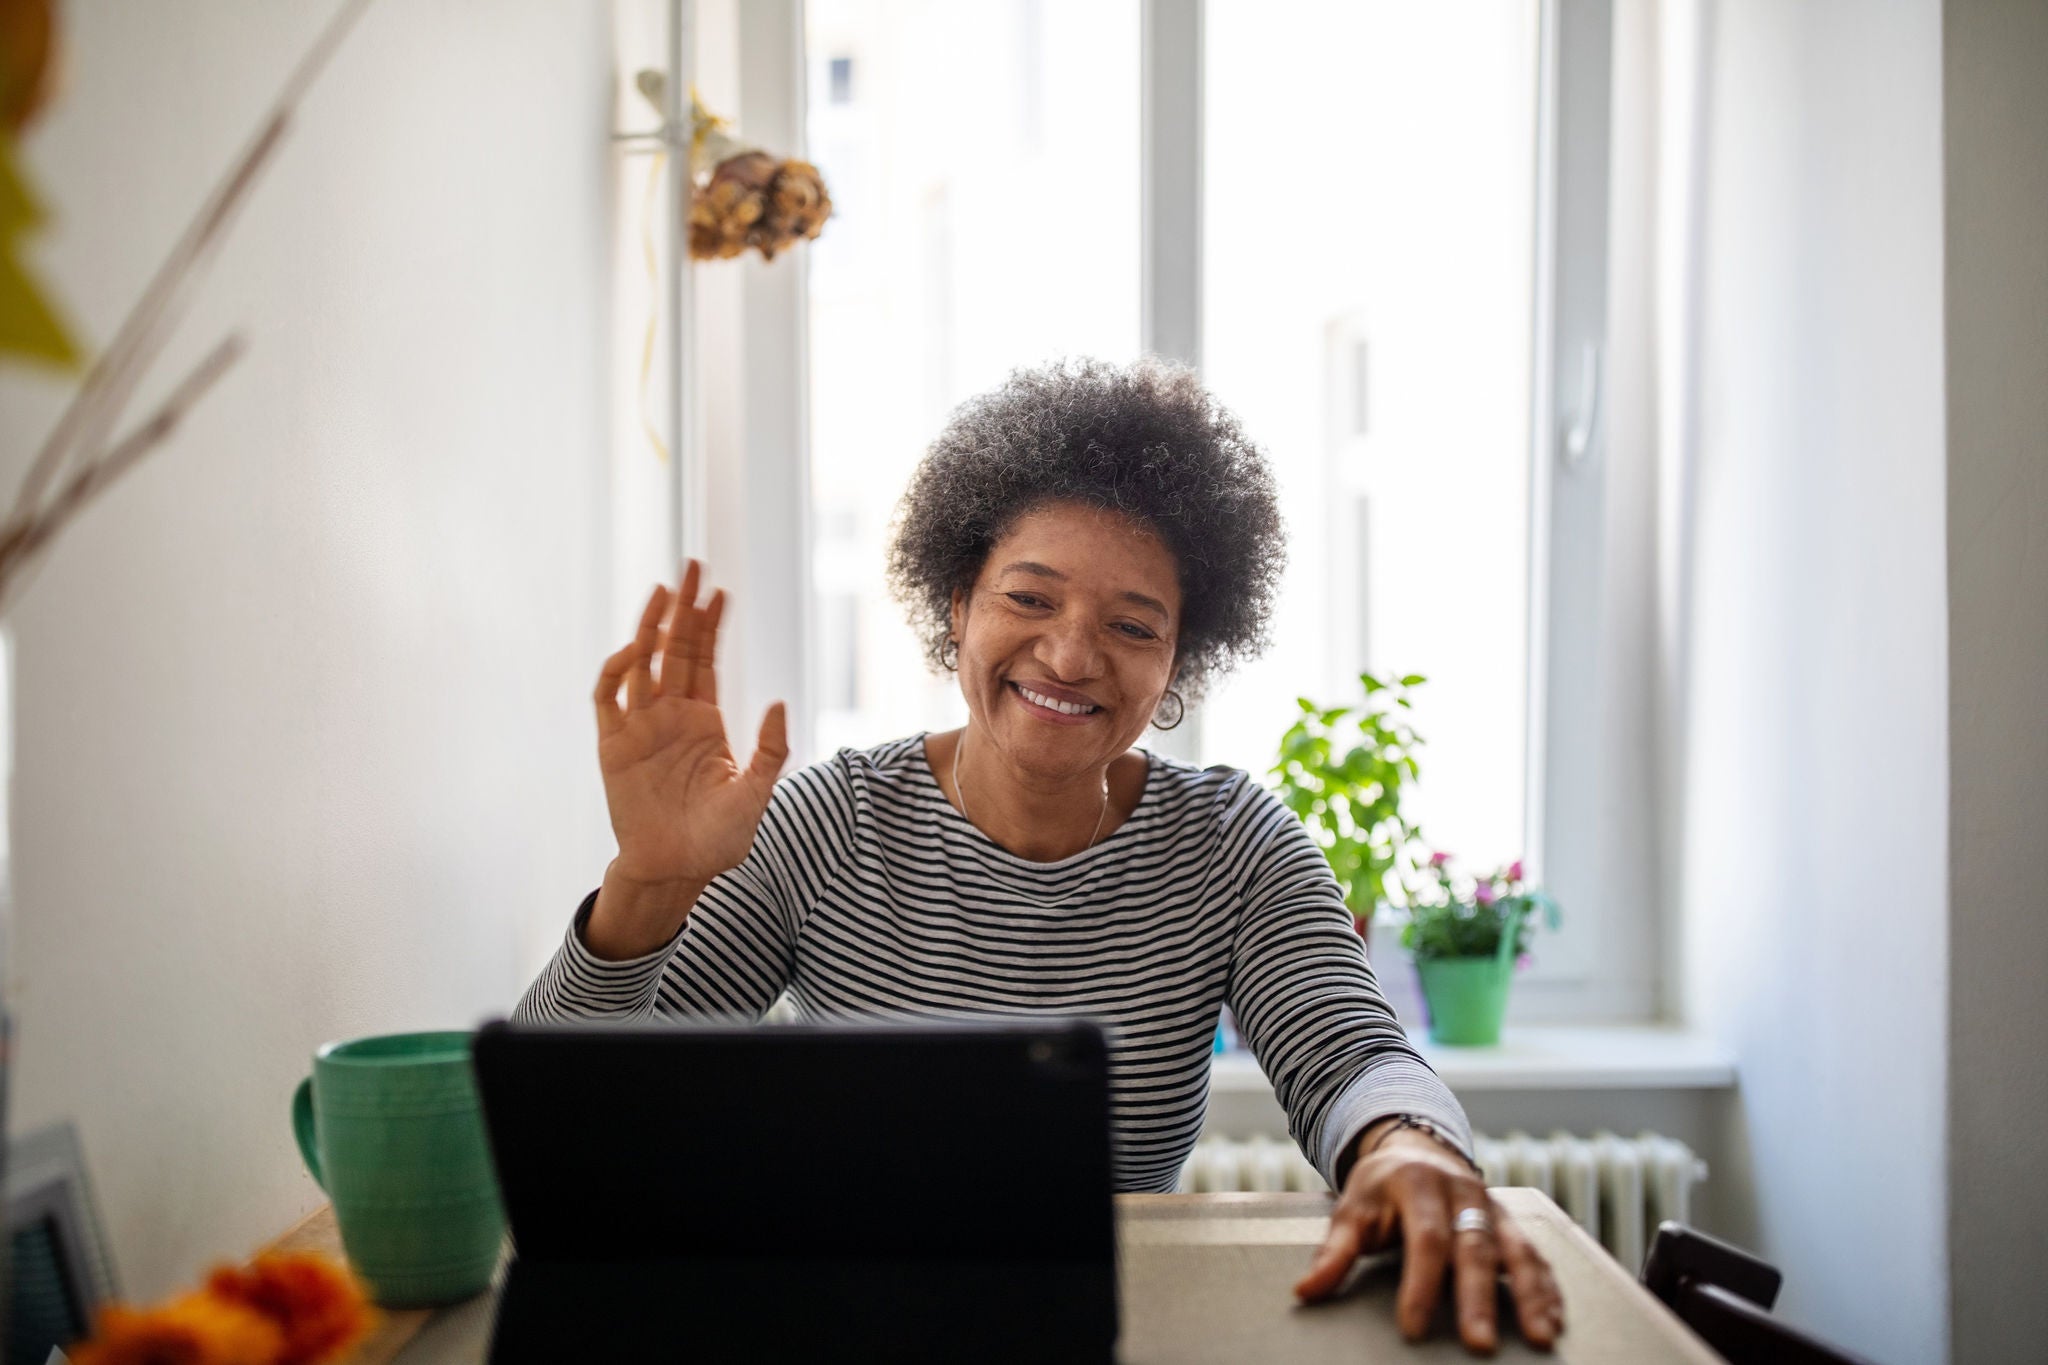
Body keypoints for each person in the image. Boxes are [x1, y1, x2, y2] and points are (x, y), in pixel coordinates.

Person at [515, 357, 1564, 1354]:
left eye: (1131, 624)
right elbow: (570, 1119)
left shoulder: (1233, 844)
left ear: (1176, 663)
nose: (1068, 655)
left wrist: (1408, 1148)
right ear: (956, 604)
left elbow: (1353, 1054)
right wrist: (647, 886)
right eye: (1028, 598)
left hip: (1109, 1328)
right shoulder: (829, 824)